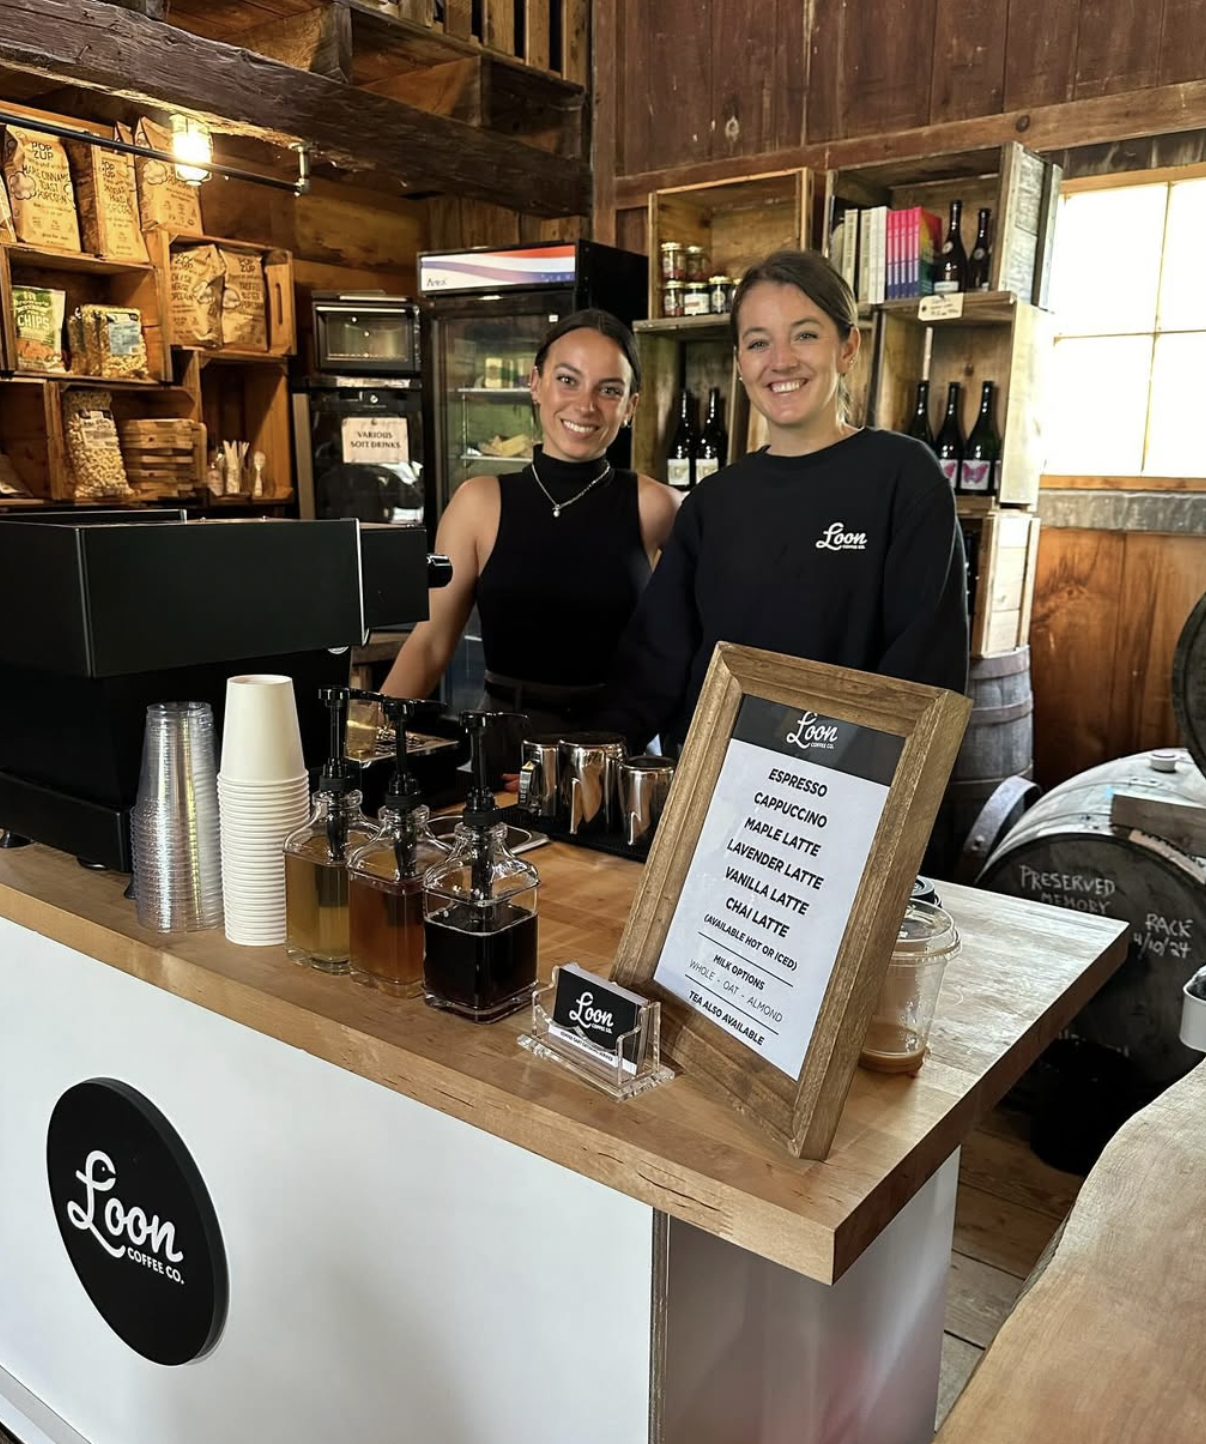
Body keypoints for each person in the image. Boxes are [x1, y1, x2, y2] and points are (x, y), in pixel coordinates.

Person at [597, 249, 968, 752]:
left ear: (847, 347)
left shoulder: (904, 476)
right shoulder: (714, 501)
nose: (781, 361)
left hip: (844, 792)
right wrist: (594, 756)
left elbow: (925, 669)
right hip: (713, 787)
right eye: (758, 342)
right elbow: (656, 658)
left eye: (806, 334)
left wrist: (851, 773)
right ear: (740, 363)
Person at [383, 310, 680, 756]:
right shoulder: (478, 503)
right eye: (568, 380)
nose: (585, 405)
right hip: (505, 748)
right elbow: (429, 644)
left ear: (631, 406)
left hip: (616, 749)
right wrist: (362, 742)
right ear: (536, 383)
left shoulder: (658, 507)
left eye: (609, 390)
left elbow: (683, 653)